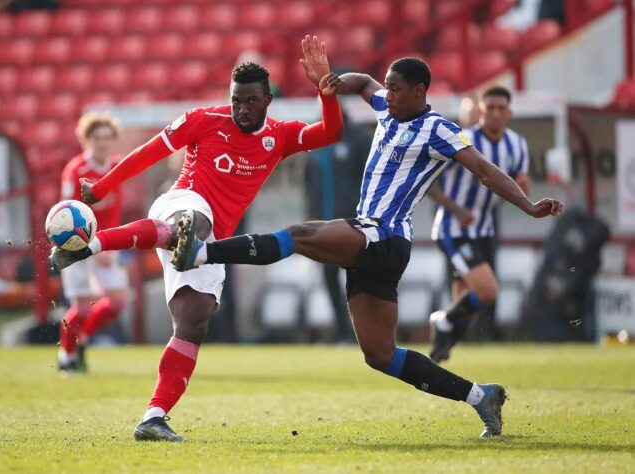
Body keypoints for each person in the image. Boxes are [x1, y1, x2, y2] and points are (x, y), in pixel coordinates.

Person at [171, 55, 563, 438]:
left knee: (300, 235)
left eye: (395, 88)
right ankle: (481, 396)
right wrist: (332, 82)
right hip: (375, 242)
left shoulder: (437, 129)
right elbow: (362, 83)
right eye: (387, 86)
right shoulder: (387, 108)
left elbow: (484, 170)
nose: (386, 94)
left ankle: (200, 252)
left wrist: (528, 206)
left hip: (385, 234)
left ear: (419, 90)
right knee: (381, 355)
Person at [50, 36, 344, 442]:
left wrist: (324, 90)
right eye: (235, 99)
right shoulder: (204, 119)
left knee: (195, 321)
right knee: (193, 220)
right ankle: (91, 245)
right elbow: (147, 153)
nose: (241, 108)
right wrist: (101, 188)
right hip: (181, 202)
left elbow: (331, 132)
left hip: (212, 240)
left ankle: (153, 417)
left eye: (250, 102)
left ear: (267, 101)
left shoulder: (281, 136)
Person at [427, 86, 531, 363]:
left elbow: (516, 182)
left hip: (484, 230)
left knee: (466, 305)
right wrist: (456, 208)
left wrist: (522, 187)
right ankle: (442, 322)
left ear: (509, 113)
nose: (496, 114)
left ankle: (440, 347)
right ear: (481, 111)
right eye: (490, 108)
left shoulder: (517, 145)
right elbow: (429, 183)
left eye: (501, 109)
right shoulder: (462, 140)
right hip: (453, 229)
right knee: (487, 290)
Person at [56, 113, 129, 373]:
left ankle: (81, 339)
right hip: (75, 245)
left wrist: (107, 244)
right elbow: (65, 213)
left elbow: (115, 209)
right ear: (87, 139)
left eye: (108, 138)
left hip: (105, 243)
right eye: (97, 138)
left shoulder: (117, 166)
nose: (102, 143)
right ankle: (66, 355)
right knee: (82, 307)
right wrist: (90, 246)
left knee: (118, 303)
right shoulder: (75, 170)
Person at [304, 111, 371, 342]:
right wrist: (311, 215)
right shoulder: (316, 146)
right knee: (329, 278)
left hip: (354, 227)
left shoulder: (360, 141)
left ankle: (364, 331)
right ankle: (343, 330)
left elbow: (370, 181)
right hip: (323, 227)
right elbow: (309, 184)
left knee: (360, 279)